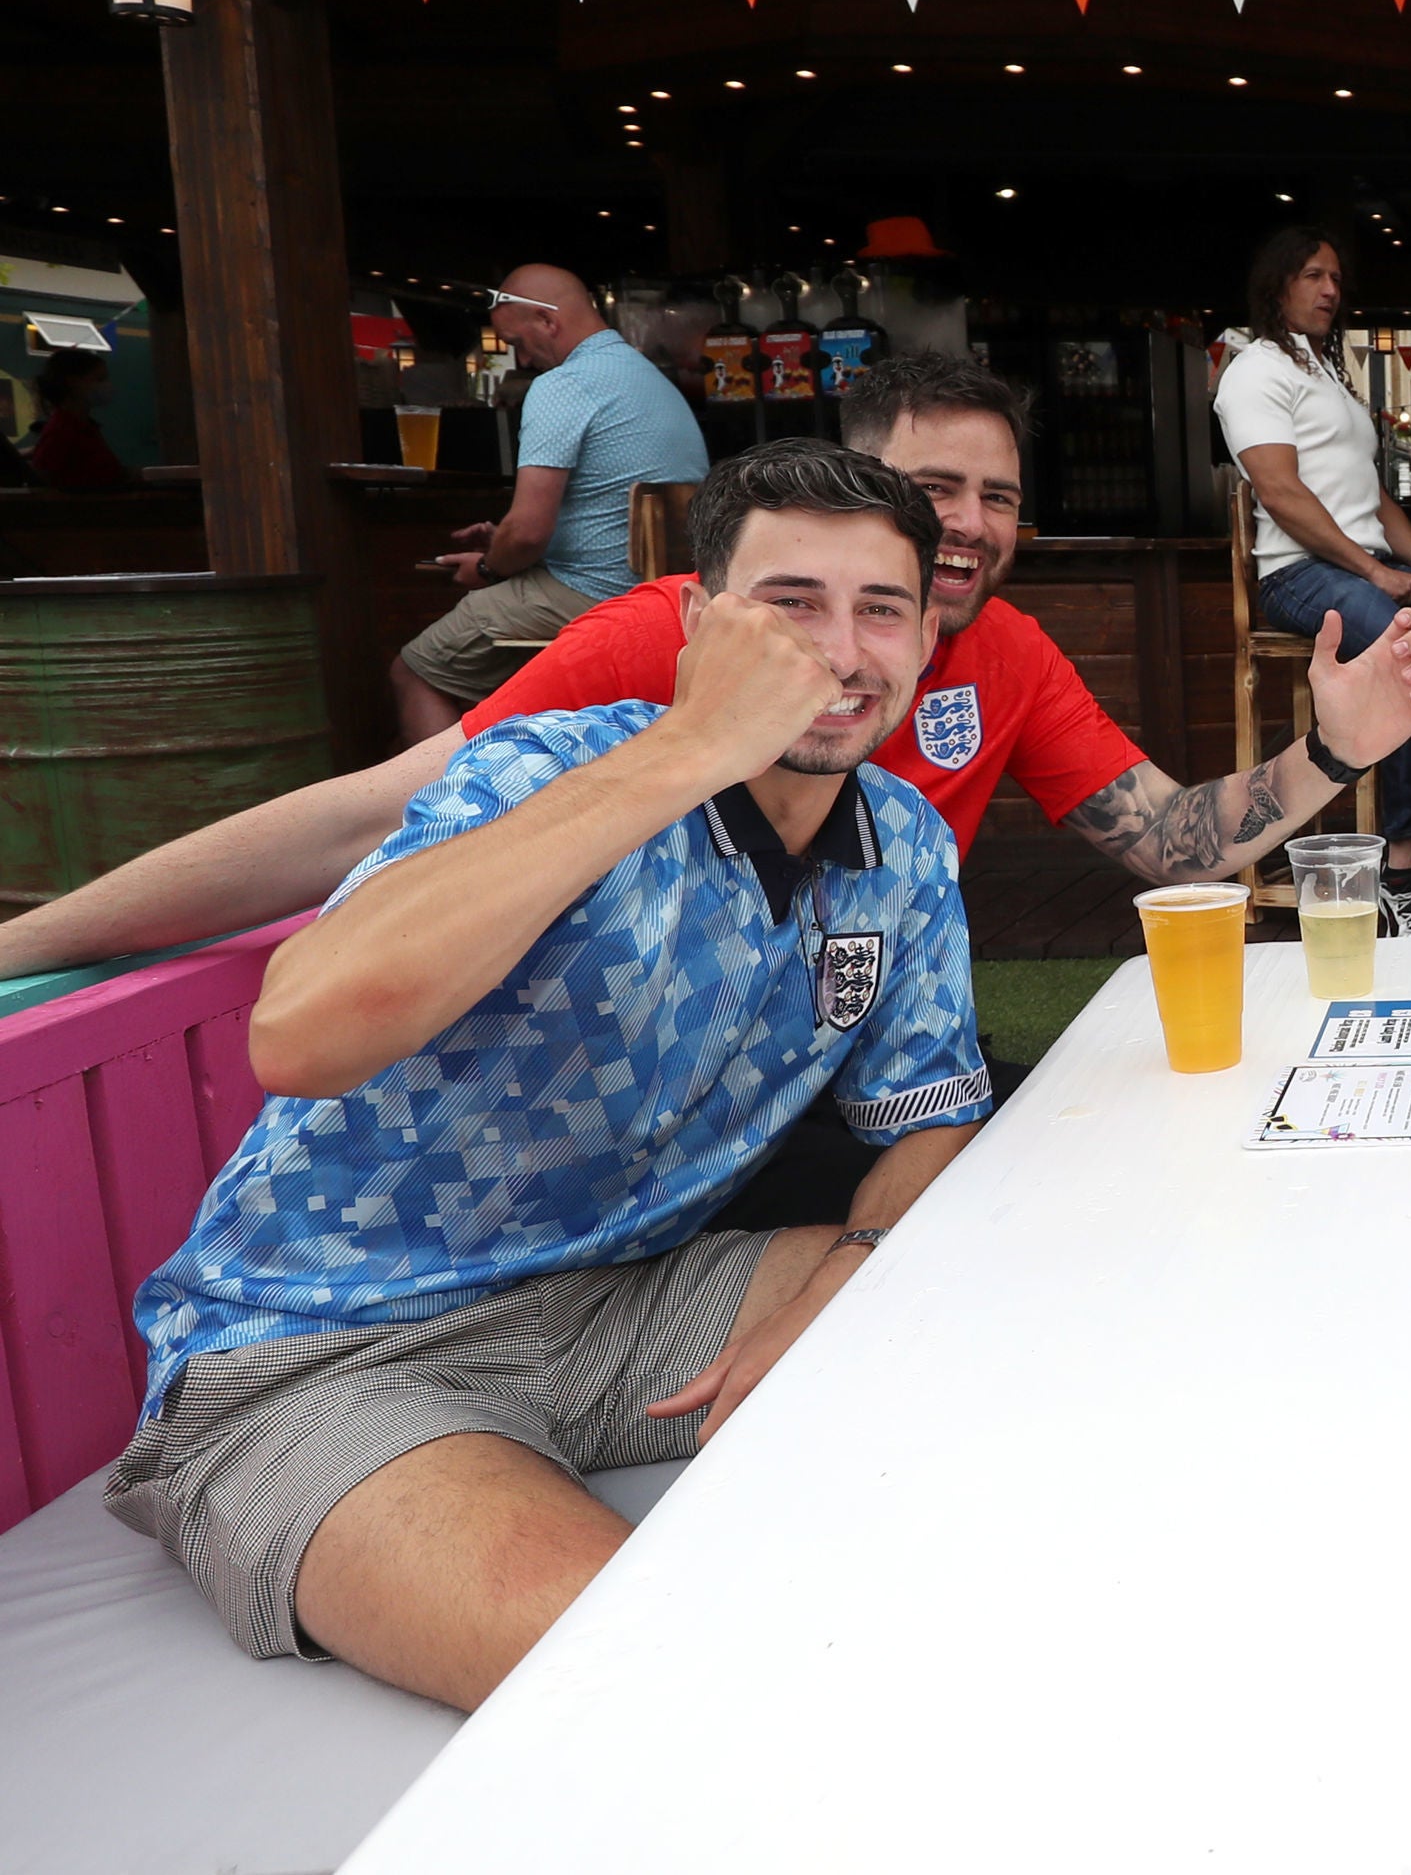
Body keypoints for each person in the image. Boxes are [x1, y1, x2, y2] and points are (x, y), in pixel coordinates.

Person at [0, 351, 1411, 1193]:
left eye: (997, 496)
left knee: (1113, 1156)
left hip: (868, 1057)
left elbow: (1175, 844)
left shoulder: (1005, 650)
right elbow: (375, 817)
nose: (967, 522)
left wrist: (1334, 747)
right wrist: (31, 945)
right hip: (651, 1100)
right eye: (934, 489)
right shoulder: (681, 633)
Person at [103, 442, 996, 1710]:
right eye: (788, 606)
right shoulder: (545, 767)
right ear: (700, 625)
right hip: (329, 1344)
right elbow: (300, 1033)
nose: (838, 652)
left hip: (621, 1304)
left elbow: (932, 1113)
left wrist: (846, 1273)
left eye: (879, 610)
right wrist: (693, 743)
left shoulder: (899, 841)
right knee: (645, 1678)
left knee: (993, 1285)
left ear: (925, 639)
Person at [1218, 225, 1411, 935]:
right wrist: (1374, 570)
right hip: (1297, 574)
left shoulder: (1326, 373)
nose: (1330, 289)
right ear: (1278, 284)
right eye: (1313, 275)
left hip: (1365, 567)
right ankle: (1400, 873)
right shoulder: (1255, 371)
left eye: (1335, 277)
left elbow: (1373, 500)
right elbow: (1280, 493)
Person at [391, 266, 708, 745]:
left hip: (593, 592)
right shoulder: (648, 377)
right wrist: (504, 544)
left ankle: (455, 796)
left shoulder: (564, 385)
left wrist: (489, 567)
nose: (521, 360)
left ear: (547, 321)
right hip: (665, 592)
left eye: (517, 343)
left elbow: (527, 533)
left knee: (415, 669)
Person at [25, 349, 131, 491]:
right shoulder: (63, 430)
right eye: (100, 379)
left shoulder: (84, 426)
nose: (107, 386)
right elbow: (44, 482)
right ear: (74, 382)